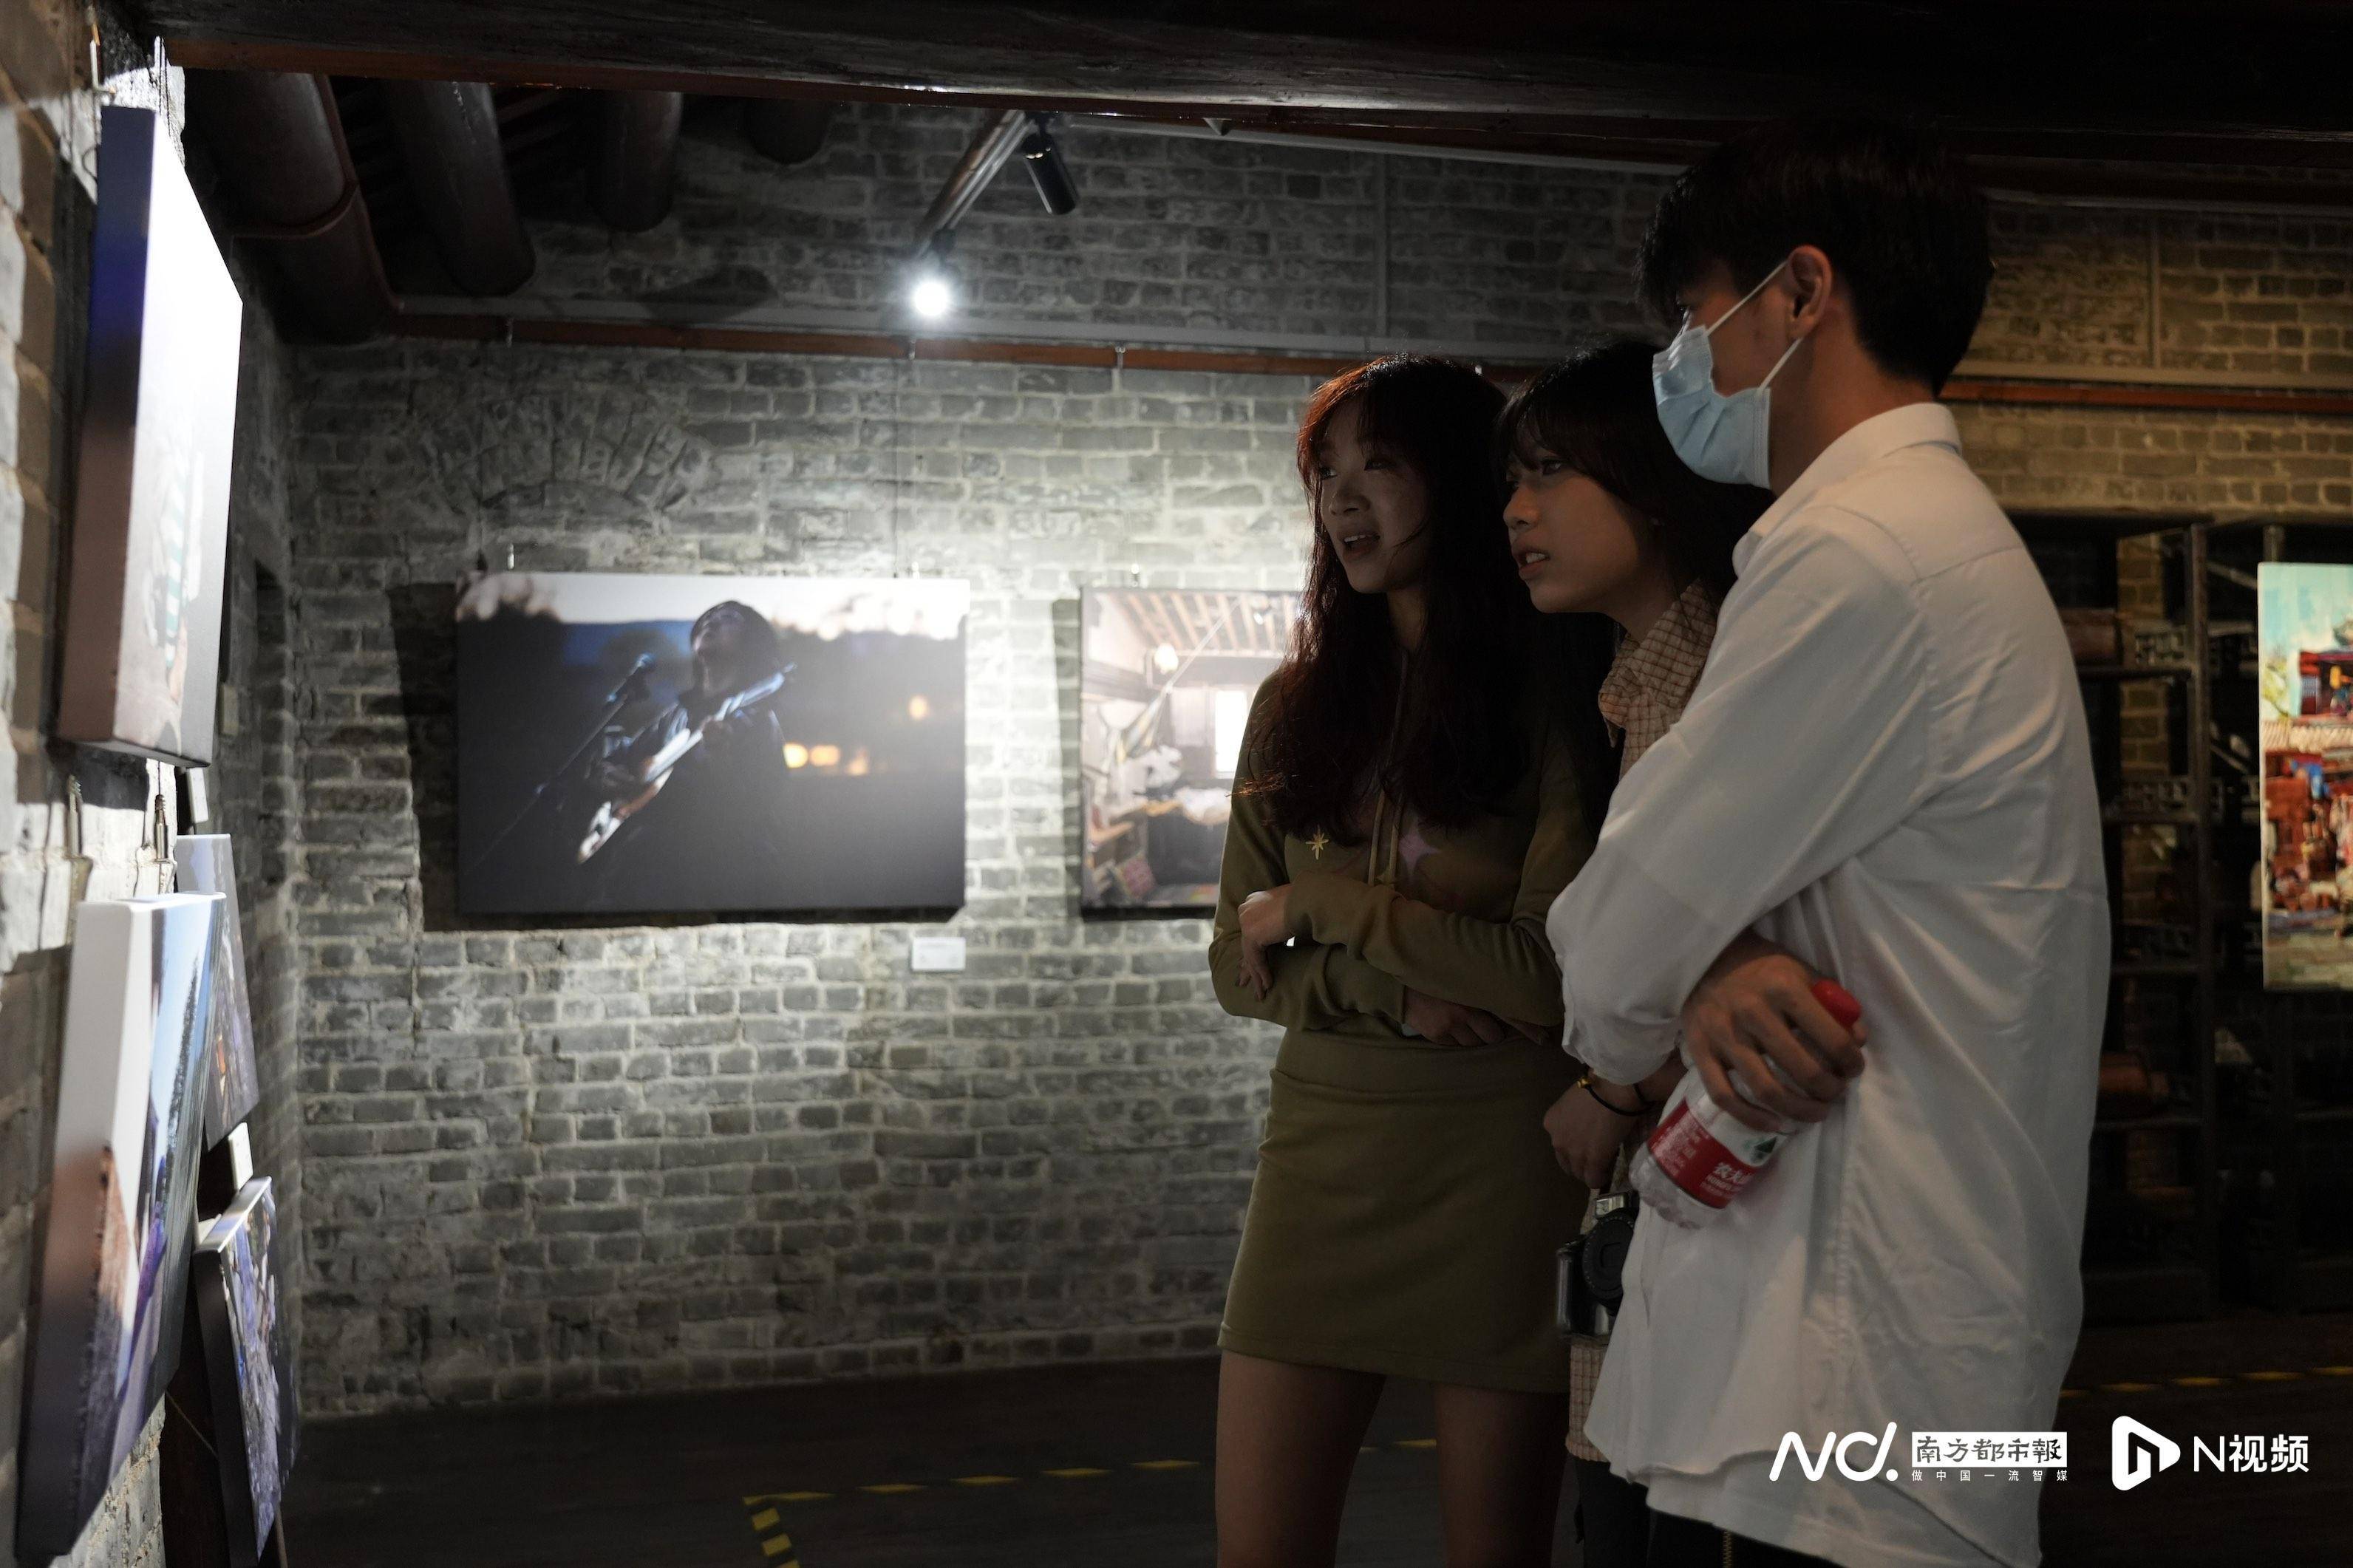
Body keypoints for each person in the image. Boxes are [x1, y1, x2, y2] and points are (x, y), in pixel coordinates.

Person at [1545, 120, 2108, 1568]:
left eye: (1693, 317)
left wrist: (1677, 958)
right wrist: (1712, 960)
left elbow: (1605, 956)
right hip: (1885, 1354)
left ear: (1799, 292)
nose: (1683, 363)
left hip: (1838, 1373)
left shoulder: (1857, 556)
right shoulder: (1927, 536)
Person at [1208, 353, 1610, 1568]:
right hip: (1319, 1154)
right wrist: (1399, 992)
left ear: (1463, 480)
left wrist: (1324, 903)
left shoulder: (1557, 694)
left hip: (1501, 1162)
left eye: (1379, 464)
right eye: (1325, 472)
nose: (1342, 498)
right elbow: (1233, 963)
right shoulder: (1292, 705)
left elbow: (1543, 975)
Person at [1495, 339, 1771, 1566]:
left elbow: (1736, 951)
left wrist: (1614, 1084)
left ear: (1651, 487)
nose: (1517, 510)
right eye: (1514, 479)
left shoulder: (1709, 679)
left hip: (1716, 1210)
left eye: (1550, 472)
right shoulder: (1635, 681)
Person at [580, 599, 794, 909]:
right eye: (708, 617)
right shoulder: (676, 715)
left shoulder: (757, 720)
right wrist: (604, 773)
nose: (711, 621)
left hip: (719, 884)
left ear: (751, 643)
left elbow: (762, 804)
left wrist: (723, 762)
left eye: (729, 618)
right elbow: (622, 756)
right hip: (642, 877)